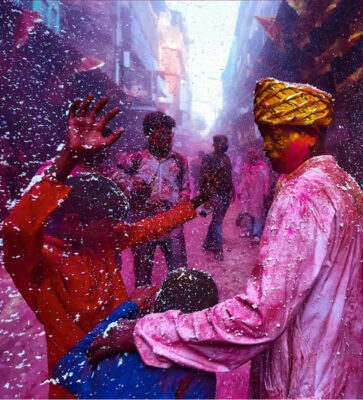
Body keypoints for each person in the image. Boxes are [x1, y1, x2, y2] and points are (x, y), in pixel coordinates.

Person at [88, 78, 363, 399]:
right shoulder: (347, 186)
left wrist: (150, 332)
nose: (265, 147)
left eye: (275, 136)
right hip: (346, 376)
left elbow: (258, 318)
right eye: (265, 136)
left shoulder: (300, 194)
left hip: (307, 384)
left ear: (310, 135)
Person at [2, 95, 210, 398]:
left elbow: (148, 228)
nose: (116, 228)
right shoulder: (41, 265)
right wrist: (68, 159)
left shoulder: (101, 240)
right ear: (75, 221)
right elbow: (16, 231)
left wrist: (196, 203)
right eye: (107, 222)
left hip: (118, 376)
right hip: (75, 387)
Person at [53, 269, 218, 399]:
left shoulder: (114, 345)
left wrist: (126, 310)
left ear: (156, 306)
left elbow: (64, 368)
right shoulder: (199, 375)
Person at [116, 111, 192, 287]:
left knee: (180, 276)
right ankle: (142, 313)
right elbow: (117, 181)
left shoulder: (180, 160)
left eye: (169, 133)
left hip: (172, 228)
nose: (167, 137)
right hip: (143, 228)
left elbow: (186, 188)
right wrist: (134, 190)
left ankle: (178, 312)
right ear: (148, 134)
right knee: (142, 279)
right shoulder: (135, 159)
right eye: (161, 133)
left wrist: (180, 203)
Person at [200, 134, 235, 261]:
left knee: (216, 219)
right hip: (215, 193)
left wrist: (233, 190)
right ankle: (218, 248)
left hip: (226, 193)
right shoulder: (208, 158)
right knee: (218, 221)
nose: (224, 144)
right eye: (221, 142)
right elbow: (203, 178)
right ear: (214, 144)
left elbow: (229, 175)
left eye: (226, 142)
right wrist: (207, 197)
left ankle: (208, 243)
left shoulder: (227, 158)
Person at [237, 148, 271, 241]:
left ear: (255, 155)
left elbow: (266, 180)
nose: (250, 156)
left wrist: (265, 192)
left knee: (257, 213)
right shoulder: (245, 167)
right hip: (247, 194)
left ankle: (256, 234)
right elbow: (243, 180)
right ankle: (250, 231)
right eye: (249, 154)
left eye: (252, 154)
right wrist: (240, 191)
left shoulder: (262, 166)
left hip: (258, 193)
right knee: (248, 212)